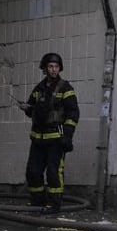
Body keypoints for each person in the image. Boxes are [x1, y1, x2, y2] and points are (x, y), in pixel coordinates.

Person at [21, 52, 79, 212]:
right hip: (37, 139)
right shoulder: (39, 88)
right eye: (50, 66)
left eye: (56, 66)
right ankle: (37, 203)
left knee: (54, 172)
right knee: (33, 171)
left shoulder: (65, 88)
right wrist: (27, 108)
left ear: (60, 68)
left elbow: (73, 113)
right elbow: (32, 108)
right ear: (45, 68)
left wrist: (67, 136)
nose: (54, 69)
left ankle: (54, 205)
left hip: (56, 139)